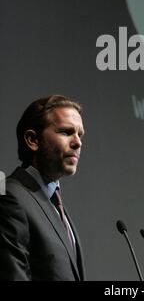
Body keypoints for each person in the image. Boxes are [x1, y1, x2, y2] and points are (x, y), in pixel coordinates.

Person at [0, 95, 86, 281]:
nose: (78, 142)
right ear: (33, 140)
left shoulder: (52, 203)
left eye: (80, 134)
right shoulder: (10, 197)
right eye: (66, 132)